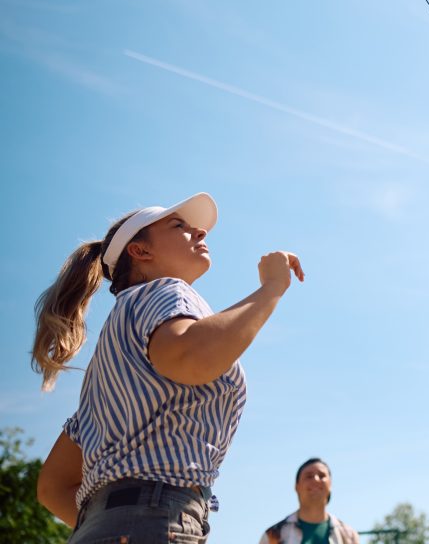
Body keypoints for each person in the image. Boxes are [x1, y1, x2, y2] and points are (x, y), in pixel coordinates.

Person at [32, 192, 304, 542]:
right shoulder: (165, 290)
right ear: (141, 251)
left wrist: (109, 524)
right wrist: (272, 288)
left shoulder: (115, 348)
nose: (201, 233)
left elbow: (53, 488)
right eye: (180, 226)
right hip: (153, 520)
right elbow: (192, 357)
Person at [260, 457, 360, 544]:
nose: (316, 479)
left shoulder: (348, 536)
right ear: (297, 486)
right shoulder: (273, 535)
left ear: (330, 486)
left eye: (322, 476)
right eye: (309, 476)